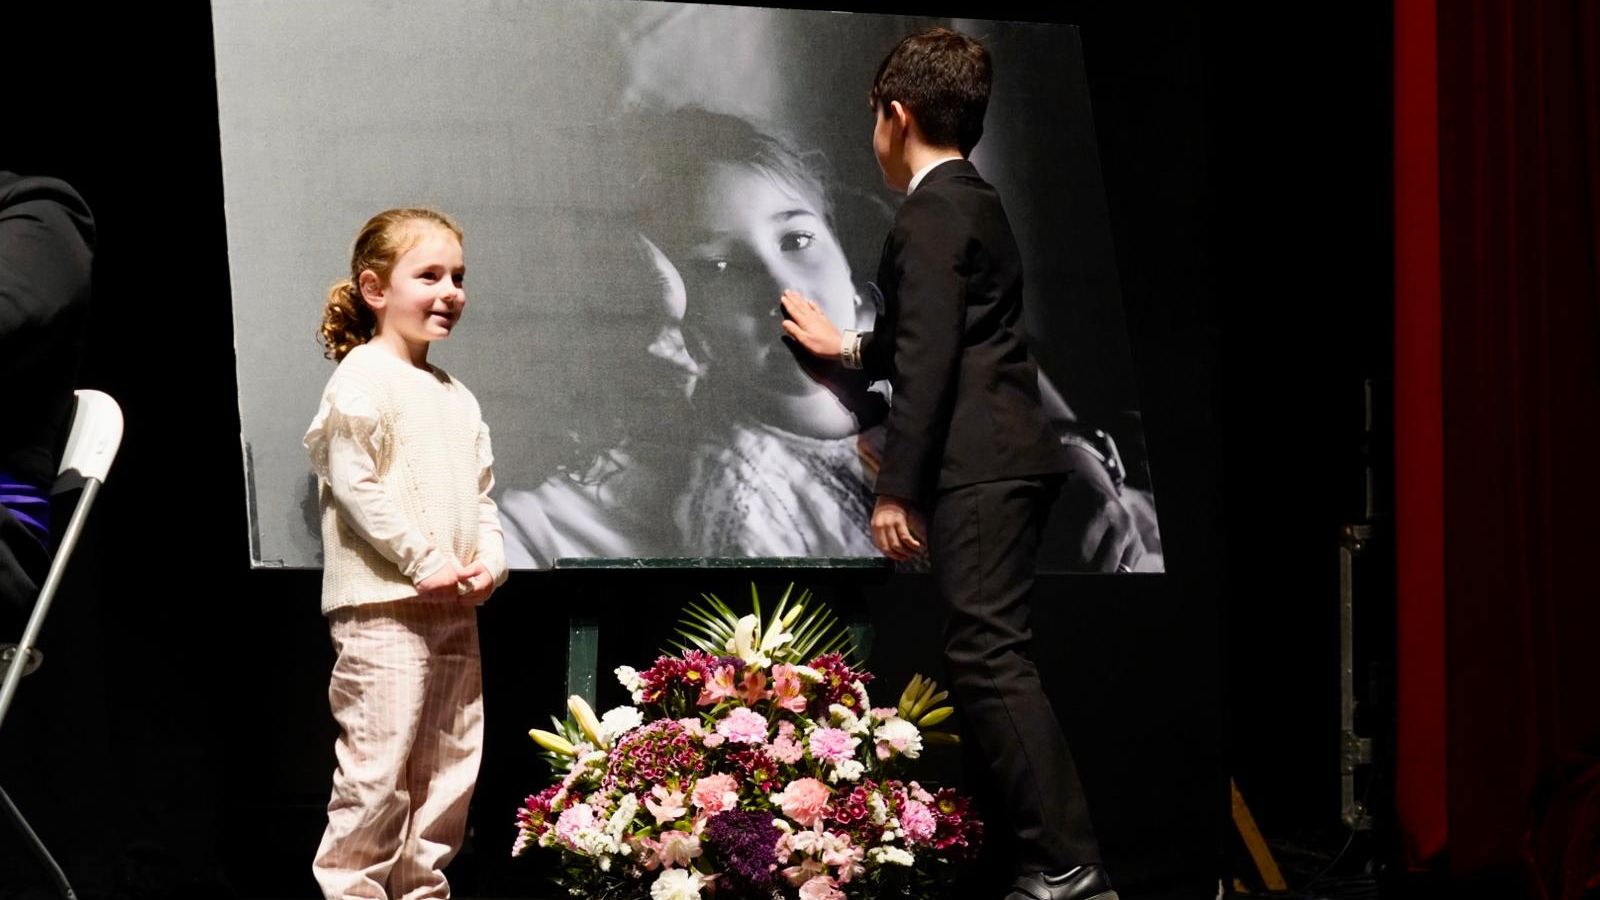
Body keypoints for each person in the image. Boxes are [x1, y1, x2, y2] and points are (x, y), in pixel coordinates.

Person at [781, 28, 1118, 900]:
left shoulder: (929, 213)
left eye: (873, 120)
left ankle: (1069, 864)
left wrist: (896, 489)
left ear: (895, 116)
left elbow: (928, 361)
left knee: (990, 658)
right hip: (1007, 457)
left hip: (982, 462)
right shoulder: (972, 200)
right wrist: (846, 345)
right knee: (988, 656)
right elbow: (928, 336)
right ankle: (1050, 864)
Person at [500, 109, 891, 563]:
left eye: (796, 240)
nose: (784, 292)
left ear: (841, 250)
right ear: (688, 323)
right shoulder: (747, 507)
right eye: (722, 268)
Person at [303, 208, 507, 899]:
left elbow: (482, 498)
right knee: (377, 770)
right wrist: (423, 559)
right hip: (382, 610)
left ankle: (422, 892)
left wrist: (489, 561)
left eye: (458, 277)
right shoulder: (361, 377)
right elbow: (356, 486)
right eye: (429, 276)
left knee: (449, 770)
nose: (450, 291)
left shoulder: (456, 395)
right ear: (375, 288)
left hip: (452, 609)